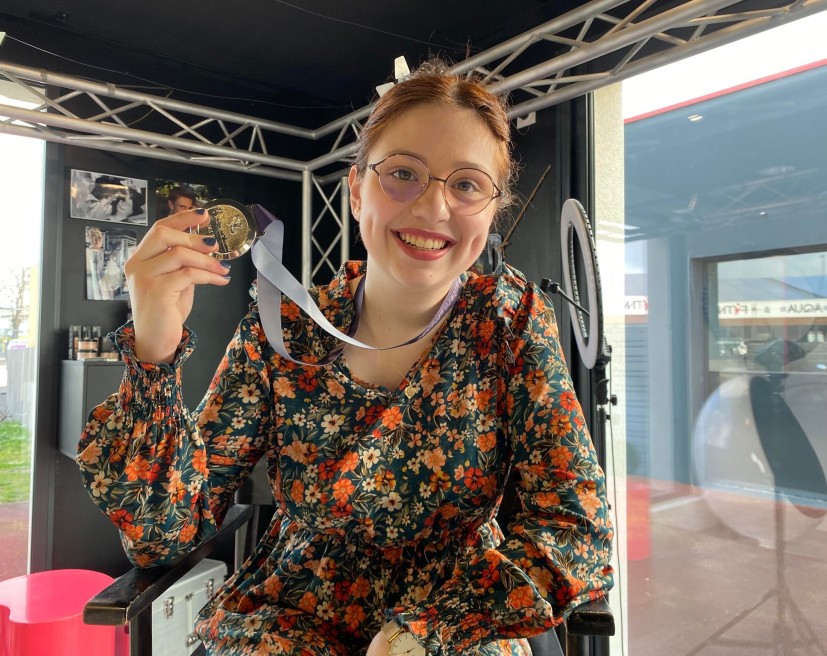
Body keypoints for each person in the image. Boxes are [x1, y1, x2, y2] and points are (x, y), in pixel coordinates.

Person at [77, 60, 614, 656]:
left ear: (491, 210)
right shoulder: (283, 329)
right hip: (289, 619)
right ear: (356, 190)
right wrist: (153, 351)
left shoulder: (510, 323)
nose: (434, 208)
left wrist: (426, 632)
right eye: (403, 173)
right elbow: (163, 537)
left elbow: (578, 531)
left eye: (466, 185)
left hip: (456, 615)